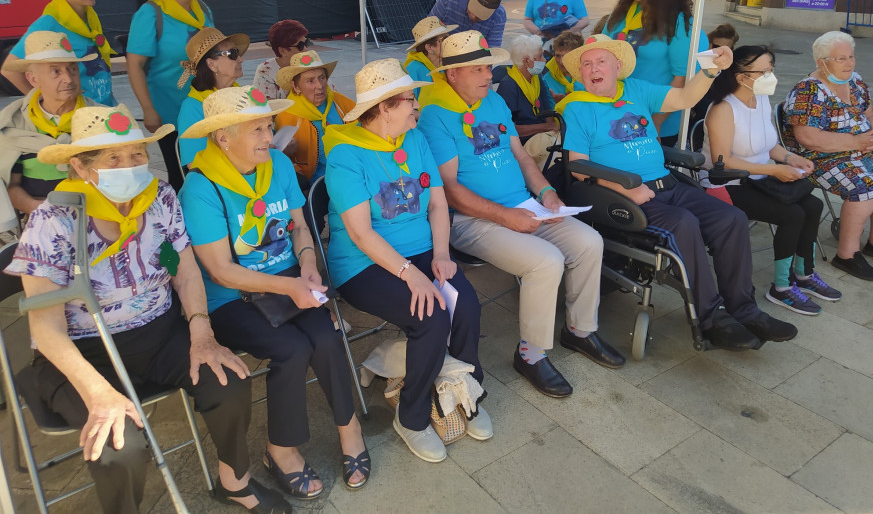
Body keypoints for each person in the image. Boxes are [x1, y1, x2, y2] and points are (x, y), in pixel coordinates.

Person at [3, 104, 288, 514]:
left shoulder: (160, 199)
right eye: (113, 158)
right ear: (81, 167)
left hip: (158, 332)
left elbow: (182, 269)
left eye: (137, 153)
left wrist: (201, 333)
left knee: (228, 382)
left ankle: (234, 482)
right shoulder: (54, 220)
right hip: (84, 352)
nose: (131, 165)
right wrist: (99, 393)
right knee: (119, 446)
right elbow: (46, 328)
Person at [178, 85, 369, 498]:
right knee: (291, 348)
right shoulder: (201, 187)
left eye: (268, 125)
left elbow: (300, 226)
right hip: (234, 300)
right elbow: (221, 271)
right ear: (222, 137)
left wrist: (306, 265)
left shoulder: (279, 165)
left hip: (290, 279)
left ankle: (349, 429)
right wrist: (291, 285)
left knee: (325, 337)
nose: (269, 136)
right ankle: (280, 450)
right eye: (257, 129)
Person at [417, 30, 623, 399]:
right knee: (546, 262)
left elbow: (522, 156)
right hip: (469, 220)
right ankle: (530, 354)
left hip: (522, 206)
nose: (487, 75)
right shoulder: (436, 117)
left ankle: (579, 330)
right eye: (478, 69)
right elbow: (449, 190)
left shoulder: (493, 104)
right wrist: (505, 216)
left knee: (589, 242)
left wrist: (545, 192)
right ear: (452, 75)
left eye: (488, 67)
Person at [558, 35, 797, 350]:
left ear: (617, 66)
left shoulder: (637, 90)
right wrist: (625, 188)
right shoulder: (576, 108)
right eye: (586, 64)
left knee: (732, 218)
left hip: (668, 183)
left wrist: (711, 70)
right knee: (684, 223)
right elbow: (577, 166)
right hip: (622, 195)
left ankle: (744, 308)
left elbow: (685, 97)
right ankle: (710, 319)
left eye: (601, 61)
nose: (593, 68)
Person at [323, 58, 488, 463]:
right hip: (364, 263)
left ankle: (465, 394)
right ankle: (412, 418)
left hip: (423, 250)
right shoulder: (346, 155)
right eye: (409, 100)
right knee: (431, 315)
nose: (417, 106)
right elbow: (361, 234)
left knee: (465, 305)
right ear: (384, 108)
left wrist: (444, 255)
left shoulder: (413, 138)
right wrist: (410, 272)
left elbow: (436, 202)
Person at [702, 45, 841, 315]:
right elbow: (723, 160)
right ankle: (781, 288)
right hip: (726, 184)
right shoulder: (723, 109)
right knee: (792, 215)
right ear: (742, 76)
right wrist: (775, 171)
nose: (771, 76)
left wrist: (790, 159)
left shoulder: (760, 99)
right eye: (765, 71)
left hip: (759, 180)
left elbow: (769, 146)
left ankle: (804, 275)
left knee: (813, 207)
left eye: (771, 69)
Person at [782, 31, 873, 281]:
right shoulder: (808, 90)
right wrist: (855, 141)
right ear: (821, 62)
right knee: (865, 191)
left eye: (851, 57)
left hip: (857, 152)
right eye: (840, 59)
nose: (849, 63)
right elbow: (808, 138)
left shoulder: (855, 81)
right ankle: (846, 255)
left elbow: (869, 113)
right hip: (820, 159)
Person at [125, 0, 213, 191]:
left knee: (213, 172)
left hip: (206, 108)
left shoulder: (202, 10)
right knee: (184, 176)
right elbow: (134, 65)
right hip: (171, 113)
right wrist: (148, 109)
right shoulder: (150, 13)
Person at [603, 0, 710, 146]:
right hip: (612, 114)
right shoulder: (621, 14)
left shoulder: (681, 25)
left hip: (653, 122)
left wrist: (655, 123)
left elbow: (682, 79)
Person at [0, 31, 97, 216]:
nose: (68, 79)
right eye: (55, 72)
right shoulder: (14, 124)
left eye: (72, 69)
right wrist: (40, 210)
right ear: (33, 79)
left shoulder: (99, 117)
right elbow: (9, 185)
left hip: (97, 214)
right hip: (41, 217)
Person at [2, 0, 116, 106]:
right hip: (76, 118)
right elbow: (9, 69)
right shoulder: (49, 23)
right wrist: (45, 101)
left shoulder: (90, 17)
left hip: (104, 108)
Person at [273, 50, 352, 183]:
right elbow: (279, 161)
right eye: (310, 81)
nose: (319, 86)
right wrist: (287, 152)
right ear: (296, 86)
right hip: (314, 183)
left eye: (322, 78)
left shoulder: (340, 102)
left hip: (350, 172)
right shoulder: (287, 116)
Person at [176, 27, 249, 167]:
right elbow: (195, 165)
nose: (241, 59)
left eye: (237, 53)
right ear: (212, 64)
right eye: (232, 54)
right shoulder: (193, 107)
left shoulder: (243, 94)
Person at [496, 34, 555, 141]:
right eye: (540, 56)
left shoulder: (536, 79)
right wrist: (546, 127)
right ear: (527, 61)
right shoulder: (509, 86)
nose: (544, 60)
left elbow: (548, 115)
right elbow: (507, 128)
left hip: (543, 136)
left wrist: (552, 129)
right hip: (522, 142)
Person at [429, 0, 506, 47]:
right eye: (472, 9)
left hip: (475, 61)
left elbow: (492, 51)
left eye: (479, 17)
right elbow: (428, 28)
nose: (473, 17)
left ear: (493, 11)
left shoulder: (499, 15)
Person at [252, 19, 312, 101]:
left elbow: (331, 93)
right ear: (283, 51)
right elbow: (265, 107)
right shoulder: (266, 71)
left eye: (306, 43)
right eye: (300, 46)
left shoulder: (311, 62)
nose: (306, 49)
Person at [403, 16, 457, 89]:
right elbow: (409, 98)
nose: (449, 41)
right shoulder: (414, 69)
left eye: (449, 37)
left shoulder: (445, 66)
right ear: (429, 47)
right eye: (444, 39)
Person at [542, 31, 585, 102]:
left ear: (577, 56)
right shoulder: (546, 80)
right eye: (557, 56)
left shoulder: (589, 76)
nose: (561, 62)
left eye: (566, 56)